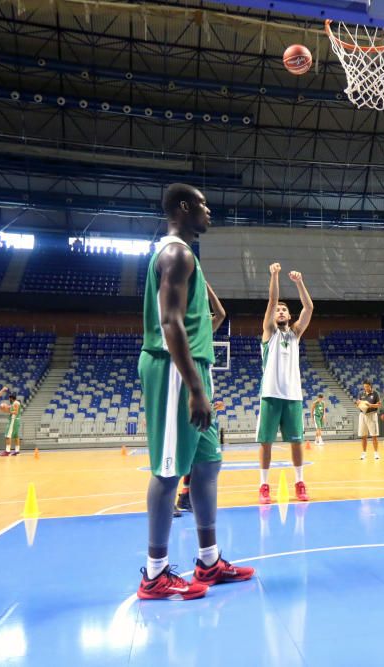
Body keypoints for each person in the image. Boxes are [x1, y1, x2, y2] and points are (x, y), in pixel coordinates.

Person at [137, 182, 253, 601]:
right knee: (169, 472)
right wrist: (194, 388)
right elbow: (170, 325)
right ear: (183, 207)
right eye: (203, 205)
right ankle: (154, 574)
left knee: (207, 465)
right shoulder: (176, 253)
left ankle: (208, 560)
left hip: (190, 368)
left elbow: (207, 314)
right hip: (173, 371)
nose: (210, 211)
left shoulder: (186, 258)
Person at [256, 262, 314, 504]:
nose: (280, 311)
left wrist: (299, 282)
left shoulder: (295, 333)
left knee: (297, 442)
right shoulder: (269, 331)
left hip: (292, 396)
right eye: (278, 309)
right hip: (270, 394)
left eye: (283, 310)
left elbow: (309, 307)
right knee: (266, 443)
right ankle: (264, 486)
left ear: (290, 317)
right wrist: (275, 275)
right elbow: (271, 301)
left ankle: (300, 482)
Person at [357, 381, 381, 460]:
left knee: (374, 435)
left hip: (372, 415)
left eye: (367, 386)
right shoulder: (361, 394)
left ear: (370, 386)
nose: (366, 388)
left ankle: (376, 453)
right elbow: (358, 404)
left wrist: (371, 405)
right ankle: (364, 453)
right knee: (363, 436)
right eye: (365, 386)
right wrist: (358, 403)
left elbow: (379, 405)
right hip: (362, 415)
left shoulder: (375, 394)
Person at [0, 391, 22, 456]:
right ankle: (17, 450)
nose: (9, 399)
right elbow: (9, 409)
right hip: (16, 421)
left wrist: (7, 410)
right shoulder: (14, 403)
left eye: (9, 398)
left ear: (11, 398)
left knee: (8, 436)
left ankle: (7, 451)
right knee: (16, 436)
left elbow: (15, 412)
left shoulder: (16, 403)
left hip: (13, 420)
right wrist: (4, 408)